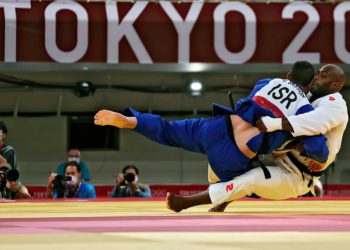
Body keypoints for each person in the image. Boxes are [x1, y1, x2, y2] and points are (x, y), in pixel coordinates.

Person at [94, 61, 328, 185]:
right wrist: (304, 148)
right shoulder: (305, 109)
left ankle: (129, 120)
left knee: (168, 130)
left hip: (218, 127)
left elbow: (254, 102)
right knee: (253, 185)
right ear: (308, 87)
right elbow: (319, 149)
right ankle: (219, 187)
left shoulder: (267, 82)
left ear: (288, 75)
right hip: (233, 157)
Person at [165, 64, 348, 213]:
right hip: (276, 156)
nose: (316, 77)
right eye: (318, 73)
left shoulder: (335, 106)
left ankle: (186, 203)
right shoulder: (306, 95)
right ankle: (222, 199)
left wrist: (273, 124)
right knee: (223, 147)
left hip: (298, 173)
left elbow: (312, 123)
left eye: (323, 76)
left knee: (250, 180)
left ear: (335, 85)